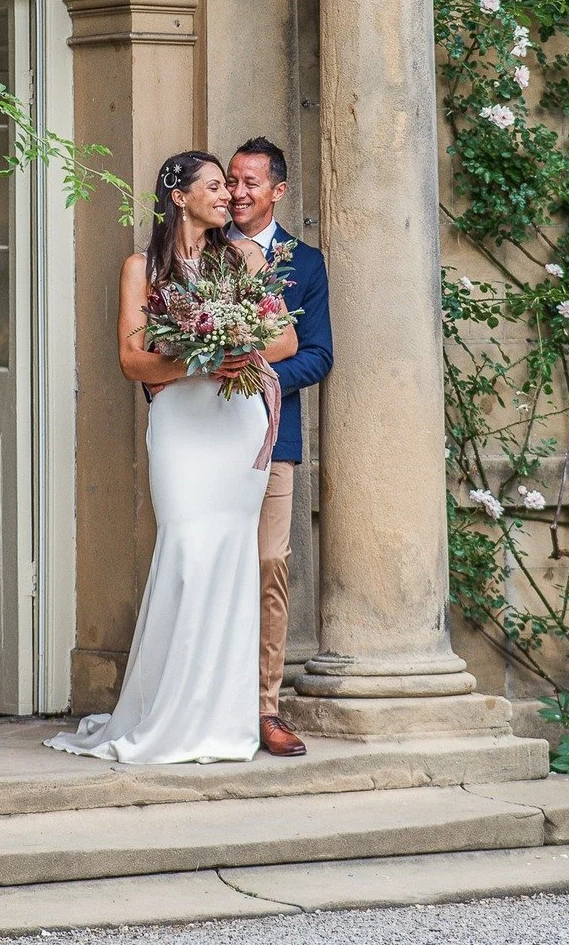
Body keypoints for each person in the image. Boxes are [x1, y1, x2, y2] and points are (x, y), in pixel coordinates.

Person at [46, 151, 297, 764]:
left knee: (232, 562)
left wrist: (239, 341)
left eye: (229, 187)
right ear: (179, 196)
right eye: (214, 186)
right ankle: (168, 712)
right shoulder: (142, 268)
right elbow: (133, 361)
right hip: (182, 424)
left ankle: (222, 717)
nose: (228, 196)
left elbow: (286, 338)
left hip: (237, 421)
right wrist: (199, 357)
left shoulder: (243, 259)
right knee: (185, 550)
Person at [225, 137, 332, 759]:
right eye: (231, 181)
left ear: (278, 191)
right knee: (214, 564)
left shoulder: (305, 263)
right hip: (204, 434)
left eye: (251, 183)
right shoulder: (202, 251)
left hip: (273, 436)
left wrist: (253, 377)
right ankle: (211, 701)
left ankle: (265, 708)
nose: (238, 193)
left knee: (269, 566)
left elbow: (318, 355)